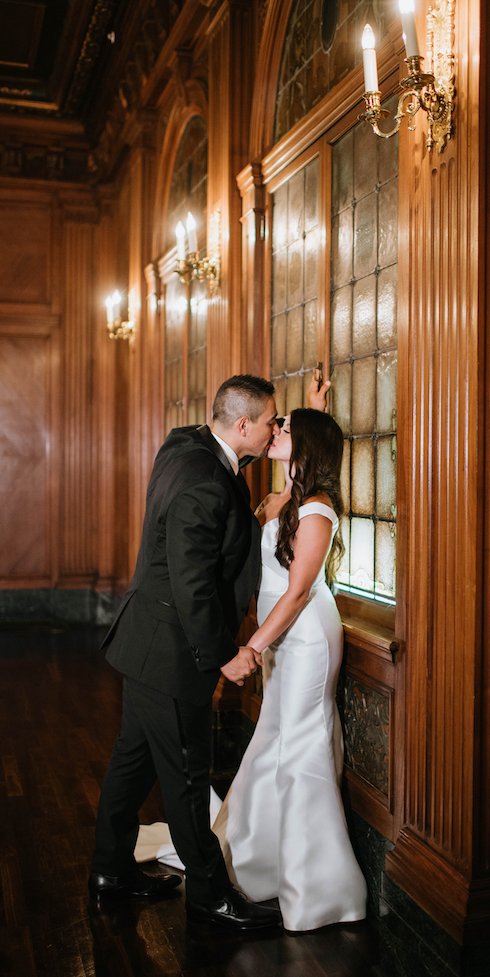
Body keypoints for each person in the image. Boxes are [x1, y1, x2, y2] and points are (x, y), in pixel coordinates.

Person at [136, 404, 368, 931]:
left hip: (305, 637)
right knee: (272, 737)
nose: (276, 431)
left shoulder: (317, 509)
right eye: (276, 423)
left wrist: (252, 648)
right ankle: (257, 856)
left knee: (301, 742)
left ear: (305, 445)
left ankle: (316, 884)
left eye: (287, 428)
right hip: (276, 638)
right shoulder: (279, 497)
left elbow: (299, 592)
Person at [88, 374, 283, 933]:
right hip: (171, 655)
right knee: (190, 777)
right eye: (270, 422)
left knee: (133, 762)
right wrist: (223, 655)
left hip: (145, 642)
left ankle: (109, 871)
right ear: (242, 425)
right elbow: (192, 581)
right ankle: (209, 897)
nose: (274, 431)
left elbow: (210, 532)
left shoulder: (185, 442)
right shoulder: (206, 480)